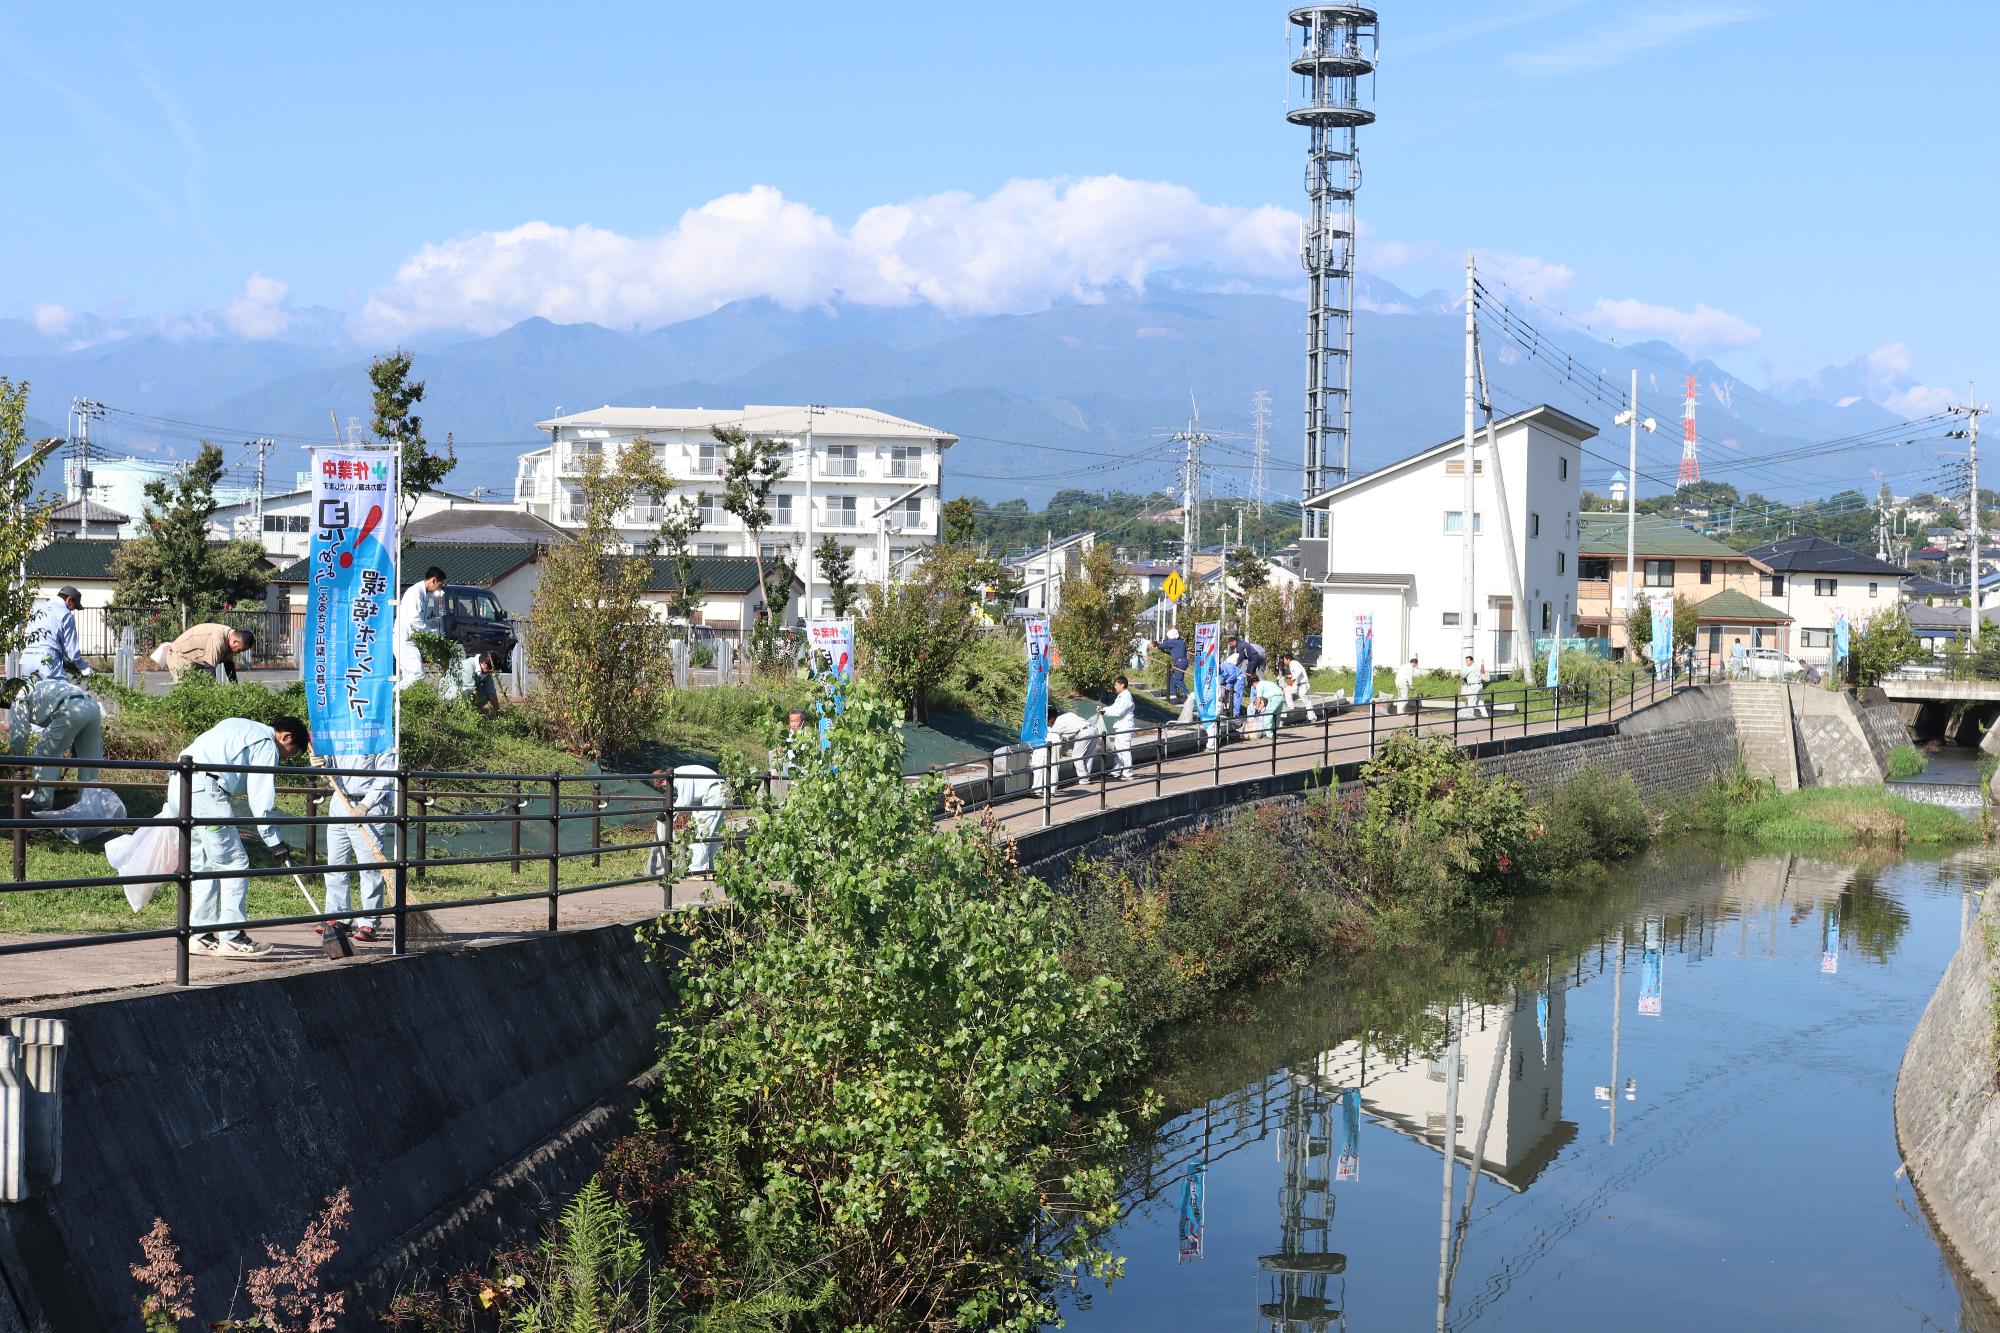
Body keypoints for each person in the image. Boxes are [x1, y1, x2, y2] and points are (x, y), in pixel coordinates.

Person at [161, 715, 309, 958]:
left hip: (181, 785)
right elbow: (261, 798)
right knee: (234, 863)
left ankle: (200, 934)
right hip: (205, 790)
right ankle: (232, 937)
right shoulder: (266, 742)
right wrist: (274, 841)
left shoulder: (240, 725)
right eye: (290, 754)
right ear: (286, 736)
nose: (285, 759)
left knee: (204, 865)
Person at [2, 676, 104, 810]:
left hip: (69, 708)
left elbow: (19, 734)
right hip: (91, 706)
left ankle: (41, 800)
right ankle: (87, 804)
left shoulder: (20, 694)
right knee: (90, 759)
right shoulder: (39, 685)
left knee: (45, 753)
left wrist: (17, 762)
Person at [319, 759, 392, 942]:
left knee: (369, 867)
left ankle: (368, 922)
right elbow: (327, 770)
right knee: (335, 864)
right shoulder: (339, 734)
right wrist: (321, 763)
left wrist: (365, 805)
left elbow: (386, 777)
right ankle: (338, 917)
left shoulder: (378, 736)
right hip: (339, 802)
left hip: (370, 807)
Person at [651, 764, 727, 875]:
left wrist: (668, 815)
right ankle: (713, 868)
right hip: (722, 792)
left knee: (698, 834)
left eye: (663, 787)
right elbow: (694, 800)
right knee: (714, 836)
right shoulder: (683, 771)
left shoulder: (679, 777)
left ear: (662, 781)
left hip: (713, 795)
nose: (666, 789)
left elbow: (684, 802)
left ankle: (698, 871)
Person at [19, 588, 89, 681]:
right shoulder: (66, 615)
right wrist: (84, 668)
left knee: (31, 692)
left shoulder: (36, 608)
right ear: (69, 599)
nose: (72, 609)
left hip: (26, 659)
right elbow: (71, 651)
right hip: (47, 659)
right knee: (63, 692)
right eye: (74, 606)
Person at [396, 567, 448, 689]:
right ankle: (392, 694)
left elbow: (424, 620)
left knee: (409, 678)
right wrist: (431, 634)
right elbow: (415, 620)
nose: (439, 589)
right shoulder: (415, 592)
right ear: (434, 580)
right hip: (404, 640)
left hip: (410, 641)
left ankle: (399, 702)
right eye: (440, 585)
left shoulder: (424, 594)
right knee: (418, 675)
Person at [157, 622, 253, 684]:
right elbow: (210, 667)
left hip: (193, 662)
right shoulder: (217, 639)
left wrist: (235, 687)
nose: (238, 652)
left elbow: (229, 665)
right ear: (235, 642)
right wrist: (212, 693)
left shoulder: (230, 637)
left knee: (197, 691)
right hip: (179, 656)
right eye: (239, 650)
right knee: (187, 692)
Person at [1040, 706, 1100, 787]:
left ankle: (1084, 778)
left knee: (1077, 756)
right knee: (1089, 756)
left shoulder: (1057, 724)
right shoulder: (1068, 714)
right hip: (1094, 730)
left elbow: (1057, 738)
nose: (1049, 723)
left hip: (1083, 733)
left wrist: (1060, 753)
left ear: (1052, 718)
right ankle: (1086, 777)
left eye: (1048, 721)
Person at [1101, 675, 1136, 780]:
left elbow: (1119, 712)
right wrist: (1104, 710)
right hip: (1120, 726)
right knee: (1118, 749)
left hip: (1125, 726)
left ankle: (1127, 773)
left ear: (1122, 685)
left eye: (1116, 684)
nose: (1115, 686)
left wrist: (1105, 712)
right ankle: (1117, 770)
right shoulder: (1121, 696)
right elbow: (1114, 707)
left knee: (1124, 749)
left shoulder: (1126, 697)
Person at [1247, 671, 1286, 740]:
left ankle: (1269, 735)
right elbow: (1264, 702)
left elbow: (1259, 699)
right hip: (1281, 697)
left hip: (1274, 698)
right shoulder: (1265, 683)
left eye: (1252, 686)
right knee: (1276, 716)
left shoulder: (1259, 685)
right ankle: (1274, 732)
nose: (1253, 687)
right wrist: (1259, 710)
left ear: (1253, 683)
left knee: (1267, 716)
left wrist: (1256, 710)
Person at [1155, 630, 1188, 702]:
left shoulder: (1173, 641)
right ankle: (1172, 693)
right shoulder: (1180, 642)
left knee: (1179, 680)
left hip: (1180, 663)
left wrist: (1156, 645)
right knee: (1172, 678)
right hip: (1183, 661)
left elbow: (1162, 646)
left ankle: (1187, 695)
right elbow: (1174, 652)